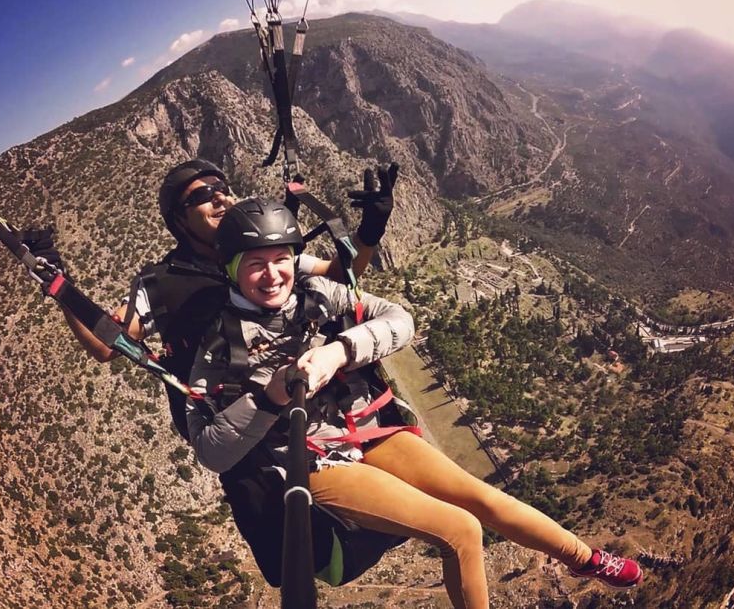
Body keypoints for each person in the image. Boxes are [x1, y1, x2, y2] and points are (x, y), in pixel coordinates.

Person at [186, 198, 643, 609]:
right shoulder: (218, 348)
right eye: (255, 264)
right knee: (460, 529)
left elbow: (400, 319)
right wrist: (268, 399)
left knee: (482, 497)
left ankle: (584, 559)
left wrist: (340, 349)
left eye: (281, 260)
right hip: (313, 462)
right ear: (232, 269)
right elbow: (210, 449)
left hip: (366, 431)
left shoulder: (317, 295)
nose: (272, 275)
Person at [23, 158, 397, 440]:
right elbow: (107, 344)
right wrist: (60, 286)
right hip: (248, 424)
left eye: (222, 188)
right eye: (202, 195)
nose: (220, 197)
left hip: (312, 397)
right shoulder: (164, 283)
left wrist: (369, 231)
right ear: (179, 219)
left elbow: (338, 274)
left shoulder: (259, 245)